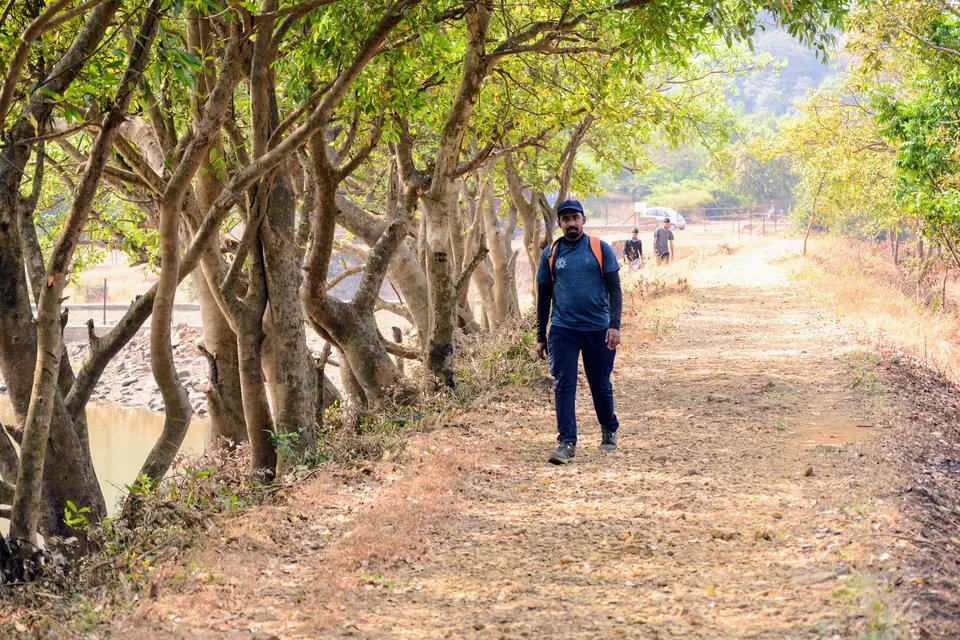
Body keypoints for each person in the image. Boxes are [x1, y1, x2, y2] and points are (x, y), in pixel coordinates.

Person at [536, 199, 622, 464]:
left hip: (598, 328)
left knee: (600, 384)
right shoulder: (550, 254)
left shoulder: (600, 248)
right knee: (564, 384)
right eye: (565, 219)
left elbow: (615, 290)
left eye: (575, 218)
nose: (571, 223)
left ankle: (609, 428)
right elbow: (543, 296)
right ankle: (566, 443)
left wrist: (614, 325)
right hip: (563, 329)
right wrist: (541, 335)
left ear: (583, 220)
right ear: (559, 223)